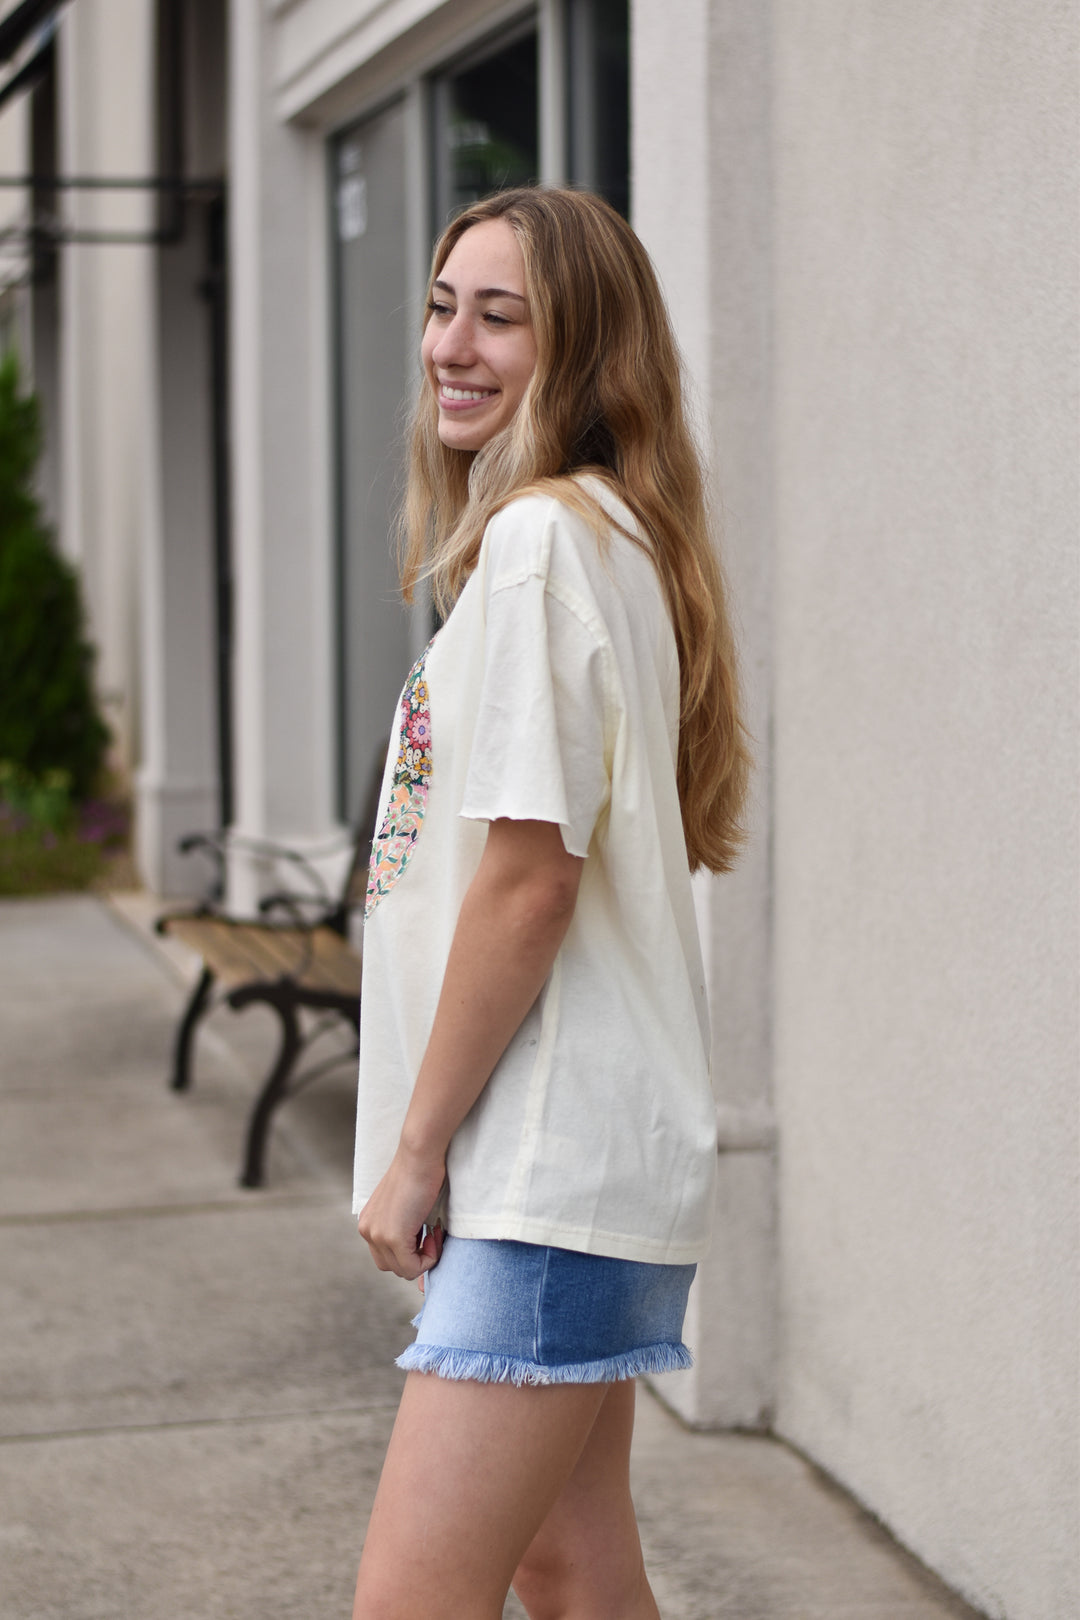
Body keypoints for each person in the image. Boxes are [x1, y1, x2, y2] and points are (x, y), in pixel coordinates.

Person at [352, 185, 750, 1620]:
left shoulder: (536, 546)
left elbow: (529, 885)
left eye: (500, 316)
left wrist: (415, 1153)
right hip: (595, 1165)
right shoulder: (613, 534)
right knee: (574, 1567)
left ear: (582, 350)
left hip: (544, 1176)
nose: (452, 344)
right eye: (442, 305)